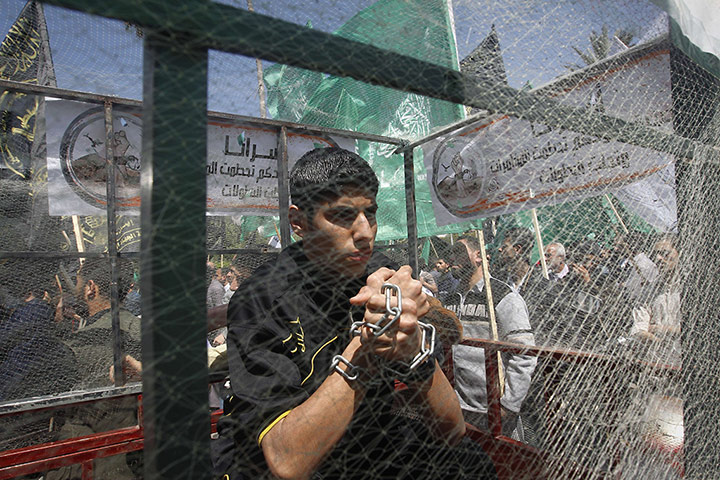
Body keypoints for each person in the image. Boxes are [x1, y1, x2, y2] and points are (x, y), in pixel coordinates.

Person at [216, 147, 495, 479]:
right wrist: (369, 344)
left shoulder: (380, 274)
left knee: (471, 463)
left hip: (367, 443)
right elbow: (287, 461)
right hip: (279, 457)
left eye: (370, 213)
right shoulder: (263, 298)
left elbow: (452, 429)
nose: (365, 233)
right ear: (298, 222)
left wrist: (413, 338)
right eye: (343, 215)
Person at [46, 258, 142, 480]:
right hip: (132, 459)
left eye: (78, 283)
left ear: (91, 288)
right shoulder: (139, 328)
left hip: (88, 462)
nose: (75, 290)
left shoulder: (75, 347)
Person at [441, 232, 536, 440]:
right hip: (457, 409)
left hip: (494, 414)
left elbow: (525, 353)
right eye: (450, 253)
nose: (452, 259)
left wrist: (509, 406)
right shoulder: (449, 300)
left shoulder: (504, 297)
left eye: (459, 252)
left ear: (478, 256)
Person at [629, 235, 681, 365]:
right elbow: (638, 330)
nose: (658, 259)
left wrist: (657, 328)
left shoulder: (692, 289)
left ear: (680, 253)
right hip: (654, 364)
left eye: (665, 253)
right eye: (655, 254)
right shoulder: (648, 292)